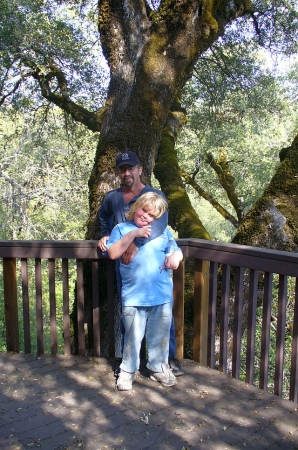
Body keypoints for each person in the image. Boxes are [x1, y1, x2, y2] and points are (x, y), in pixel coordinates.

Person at [97, 151, 184, 376]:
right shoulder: (113, 198)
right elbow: (104, 216)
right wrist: (106, 234)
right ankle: (129, 363)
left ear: (140, 170)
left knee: (162, 311)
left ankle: (168, 359)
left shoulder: (153, 196)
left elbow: (161, 225)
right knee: (130, 309)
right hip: (126, 266)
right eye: (122, 169)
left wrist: (136, 243)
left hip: (152, 264)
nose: (127, 173)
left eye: (131, 168)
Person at [107, 192, 183, 390]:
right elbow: (113, 253)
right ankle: (128, 370)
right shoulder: (122, 229)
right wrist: (133, 235)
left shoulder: (163, 233)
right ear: (136, 207)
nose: (146, 216)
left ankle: (158, 366)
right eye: (144, 210)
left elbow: (175, 250)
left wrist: (176, 257)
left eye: (151, 215)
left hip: (161, 295)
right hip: (134, 296)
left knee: (160, 335)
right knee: (132, 336)